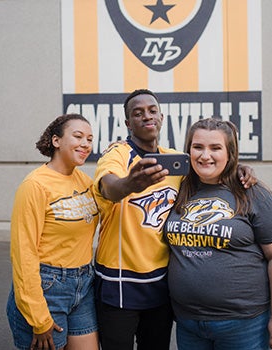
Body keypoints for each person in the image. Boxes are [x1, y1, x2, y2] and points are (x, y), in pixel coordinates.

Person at [92, 89, 256, 350]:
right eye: (138, 113)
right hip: (120, 282)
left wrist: (238, 169)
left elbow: (210, 168)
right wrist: (129, 184)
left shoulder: (175, 160)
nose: (147, 116)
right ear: (127, 123)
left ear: (161, 117)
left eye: (152, 110)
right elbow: (107, 187)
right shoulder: (118, 154)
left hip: (162, 282)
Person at [163, 118, 272, 350]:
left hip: (243, 325)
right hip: (188, 323)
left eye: (215, 148)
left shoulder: (252, 192)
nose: (205, 155)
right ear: (188, 150)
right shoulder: (178, 189)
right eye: (198, 147)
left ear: (230, 153)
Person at [6, 114, 99, 350]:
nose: (85, 144)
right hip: (47, 288)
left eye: (89, 139)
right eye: (78, 136)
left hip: (83, 283)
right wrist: (38, 317)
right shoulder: (35, 186)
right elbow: (23, 253)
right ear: (56, 141)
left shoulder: (85, 181)